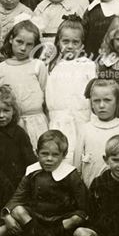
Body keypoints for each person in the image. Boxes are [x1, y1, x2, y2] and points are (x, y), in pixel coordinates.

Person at [3, 130, 88, 236]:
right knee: (17, 210)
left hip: (60, 219)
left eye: (55, 155)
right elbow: (17, 198)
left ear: (64, 155)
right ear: (36, 153)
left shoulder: (70, 174)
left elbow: (83, 205)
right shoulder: (32, 171)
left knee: (77, 218)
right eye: (44, 154)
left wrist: (78, 216)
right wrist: (7, 215)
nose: (49, 159)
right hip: (37, 218)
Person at [45, 16, 96, 162]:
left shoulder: (88, 65)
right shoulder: (51, 66)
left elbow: (92, 95)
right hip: (59, 120)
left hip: (81, 119)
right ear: (58, 42)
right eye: (65, 41)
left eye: (75, 42)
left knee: (80, 156)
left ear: (82, 45)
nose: (70, 46)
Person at [0, 17, 48, 147]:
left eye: (29, 44)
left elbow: (46, 94)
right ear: (11, 39)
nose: (23, 48)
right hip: (10, 122)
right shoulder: (2, 67)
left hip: (35, 121)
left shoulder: (38, 65)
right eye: (19, 42)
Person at [75, 79, 119, 187]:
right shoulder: (85, 130)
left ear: (117, 102)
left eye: (107, 100)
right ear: (91, 103)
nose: (101, 105)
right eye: (96, 101)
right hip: (91, 194)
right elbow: (77, 167)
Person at [0, 85, 36, 187]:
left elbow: (30, 160)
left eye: (6, 111)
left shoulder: (19, 133)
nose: (1, 115)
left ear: (13, 111)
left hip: (15, 182)